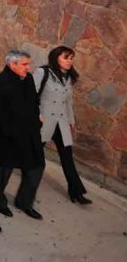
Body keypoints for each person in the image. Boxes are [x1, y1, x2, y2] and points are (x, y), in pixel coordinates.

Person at [0, 50, 45, 220]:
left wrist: (37, 121)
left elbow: (34, 102)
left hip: (31, 133)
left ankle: (25, 202)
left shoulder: (27, 79)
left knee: (36, 166)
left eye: (28, 64)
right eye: (24, 64)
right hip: (9, 136)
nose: (28, 68)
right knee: (4, 170)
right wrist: (10, 131)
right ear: (12, 64)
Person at [34, 46, 90, 204]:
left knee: (67, 158)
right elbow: (30, 95)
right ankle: (26, 192)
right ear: (56, 58)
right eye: (66, 57)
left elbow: (68, 103)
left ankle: (76, 192)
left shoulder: (69, 77)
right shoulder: (42, 72)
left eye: (71, 58)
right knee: (34, 156)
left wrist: (71, 122)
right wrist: (36, 114)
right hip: (44, 122)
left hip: (62, 122)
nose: (69, 61)